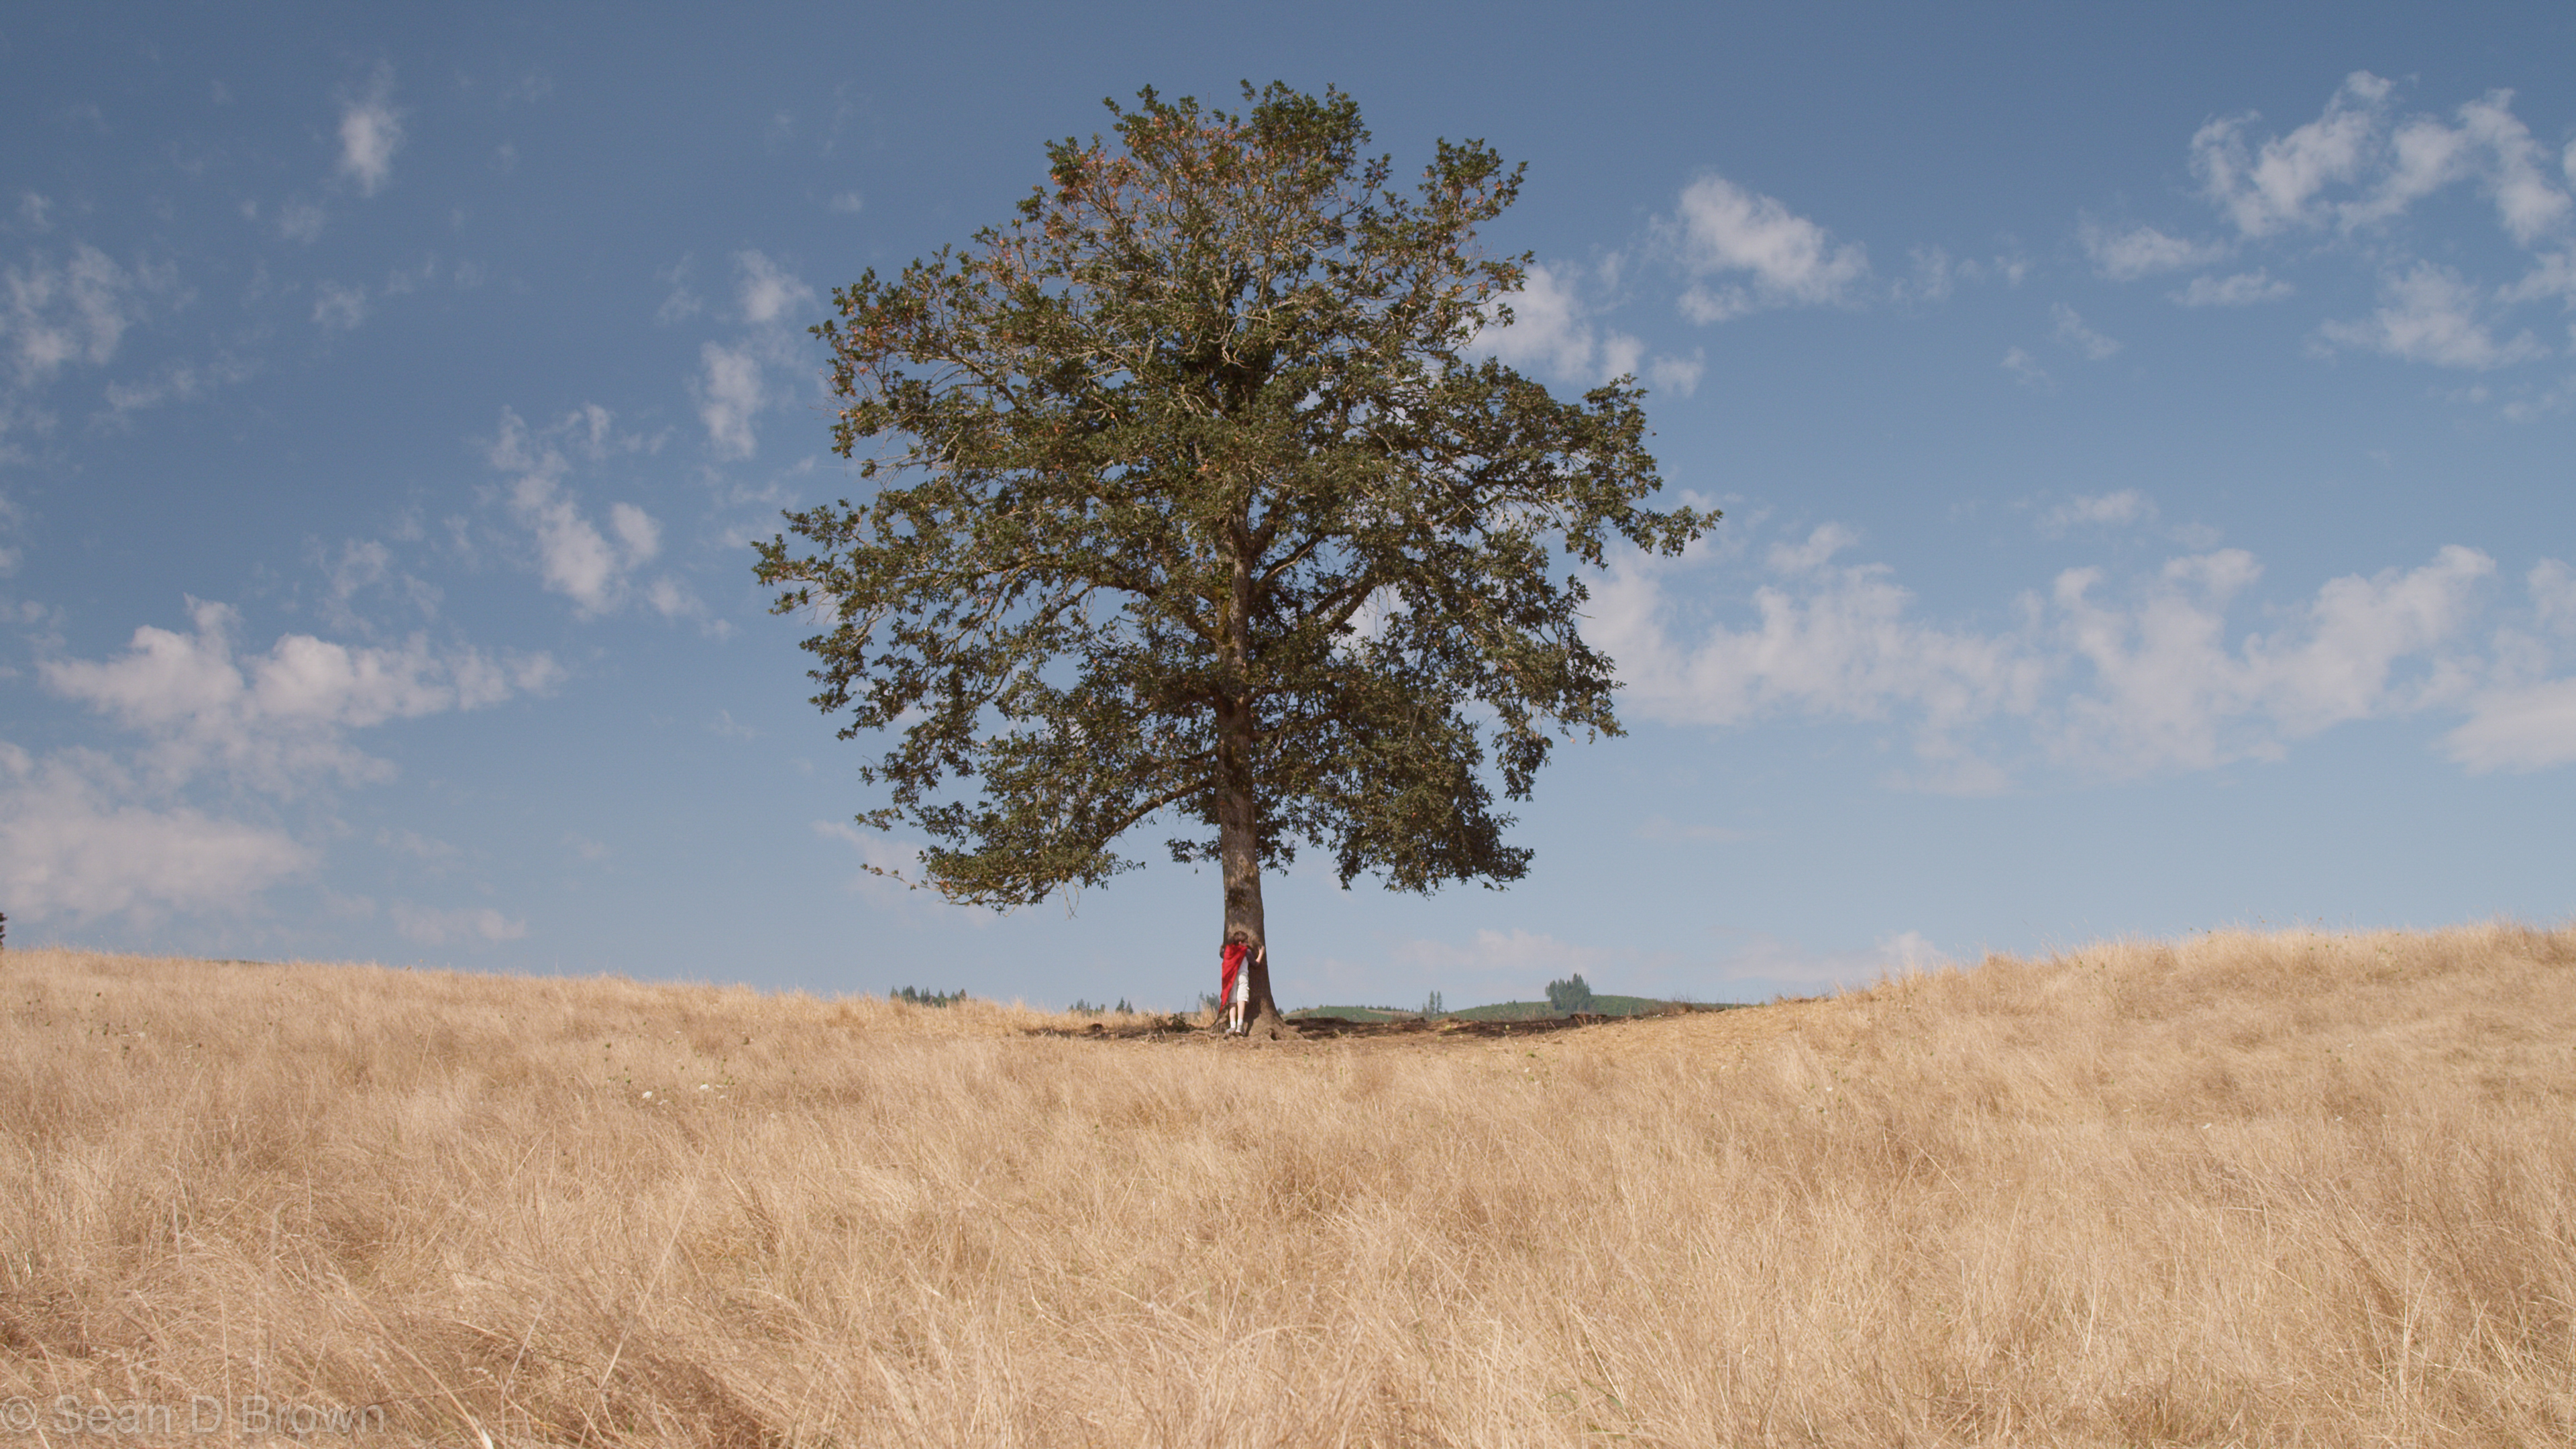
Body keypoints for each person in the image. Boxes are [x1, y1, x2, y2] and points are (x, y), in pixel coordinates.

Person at [1219, 928, 1262, 1036]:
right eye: (1246, 942)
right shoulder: (1246, 952)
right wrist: (1261, 953)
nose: (1248, 944)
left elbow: (1221, 954)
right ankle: (1240, 1026)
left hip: (1231, 978)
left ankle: (1232, 1026)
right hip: (1242, 976)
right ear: (1240, 942)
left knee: (1232, 1001)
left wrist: (1222, 947)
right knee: (1241, 1000)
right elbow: (1255, 964)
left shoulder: (1228, 950)